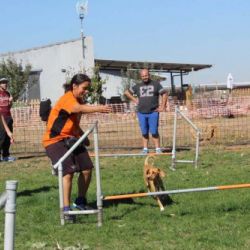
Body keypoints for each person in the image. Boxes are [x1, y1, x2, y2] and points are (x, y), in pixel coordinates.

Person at [42, 73, 111, 222]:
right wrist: (99, 108)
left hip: (71, 138)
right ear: (74, 86)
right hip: (54, 141)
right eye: (84, 88)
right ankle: (66, 211)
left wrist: (82, 136)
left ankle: (80, 202)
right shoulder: (68, 99)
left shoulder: (78, 99)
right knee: (68, 173)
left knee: (86, 169)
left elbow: (73, 123)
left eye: (88, 89)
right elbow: (77, 108)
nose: (86, 91)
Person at [124, 69, 168, 154]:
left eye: (146, 75)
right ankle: (145, 149)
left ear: (149, 75)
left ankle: (158, 149)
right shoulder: (137, 86)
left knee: (154, 131)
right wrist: (135, 99)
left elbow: (164, 94)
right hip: (141, 113)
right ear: (141, 76)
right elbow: (126, 92)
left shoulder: (156, 84)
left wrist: (162, 106)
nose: (145, 77)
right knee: (144, 131)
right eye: (143, 76)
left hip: (153, 112)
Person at [0, 77, 15, 162]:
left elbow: (9, 107)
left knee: (7, 138)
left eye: (6, 82)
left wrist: (11, 102)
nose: (5, 84)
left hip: (8, 116)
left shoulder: (8, 93)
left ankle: (6, 155)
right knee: (1, 137)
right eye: (3, 82)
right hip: (0, 118)